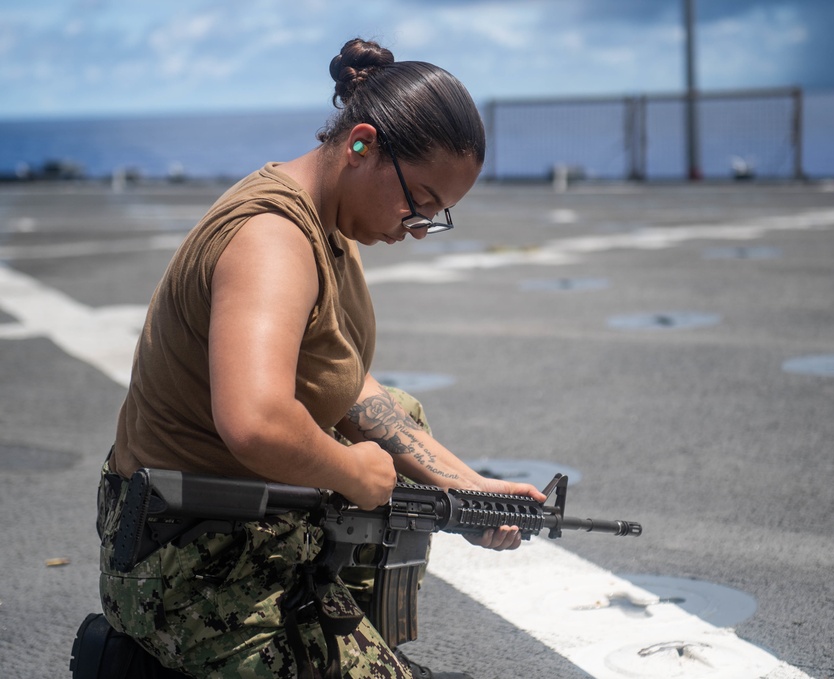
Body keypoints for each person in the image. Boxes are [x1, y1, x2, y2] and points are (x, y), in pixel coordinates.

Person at [94, 37, 544, 679]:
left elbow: (348, 387)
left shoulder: (331, 219)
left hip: (248, 519)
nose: (416, 227)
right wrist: (351, 473)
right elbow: (255, 422)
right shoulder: (272, 240)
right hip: (183, 556)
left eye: (437, 216)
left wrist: (467, 489)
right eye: (418, 201)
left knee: (401, 418)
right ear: (362, 145)